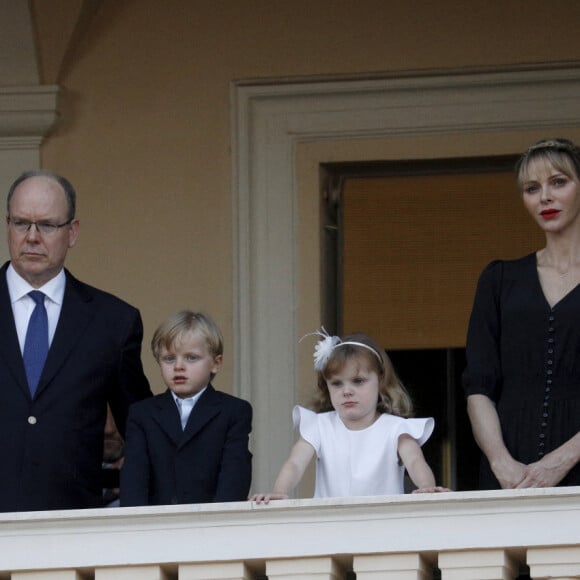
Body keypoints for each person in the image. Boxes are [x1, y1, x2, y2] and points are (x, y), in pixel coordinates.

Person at [0, 169, 152, 512]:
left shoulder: (113, 322)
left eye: (48, 225)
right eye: (22, 223)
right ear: (7, 225)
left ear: (72, 232)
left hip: (71, 532)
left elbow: (143, 431)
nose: (33, 237)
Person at [463, 138, 580, 490]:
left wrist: (563, 459)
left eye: (558, 182)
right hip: (509, 474)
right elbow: (479, 387)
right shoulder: (499, 280)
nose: (545, 196)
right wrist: (501, 463)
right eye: (532, 188)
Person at [251, 330, 447, 503]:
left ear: (380, 381)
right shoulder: (320, 425)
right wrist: (279, 492)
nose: (347, 391)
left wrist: (426, 487)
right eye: (337, 383)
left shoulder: (396, 428)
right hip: (331, 525)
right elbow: (295, 463)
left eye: (358, 381)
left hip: (383, 525)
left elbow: (415, 462)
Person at [120, 310, 253, 506]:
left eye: (191, 358)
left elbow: (234, 477)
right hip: (156, 529)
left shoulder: (233, 411)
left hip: (213, 527)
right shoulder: (142, 414)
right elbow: (134, 481)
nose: (178, 366)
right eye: (169, 358)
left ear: (216, 363)